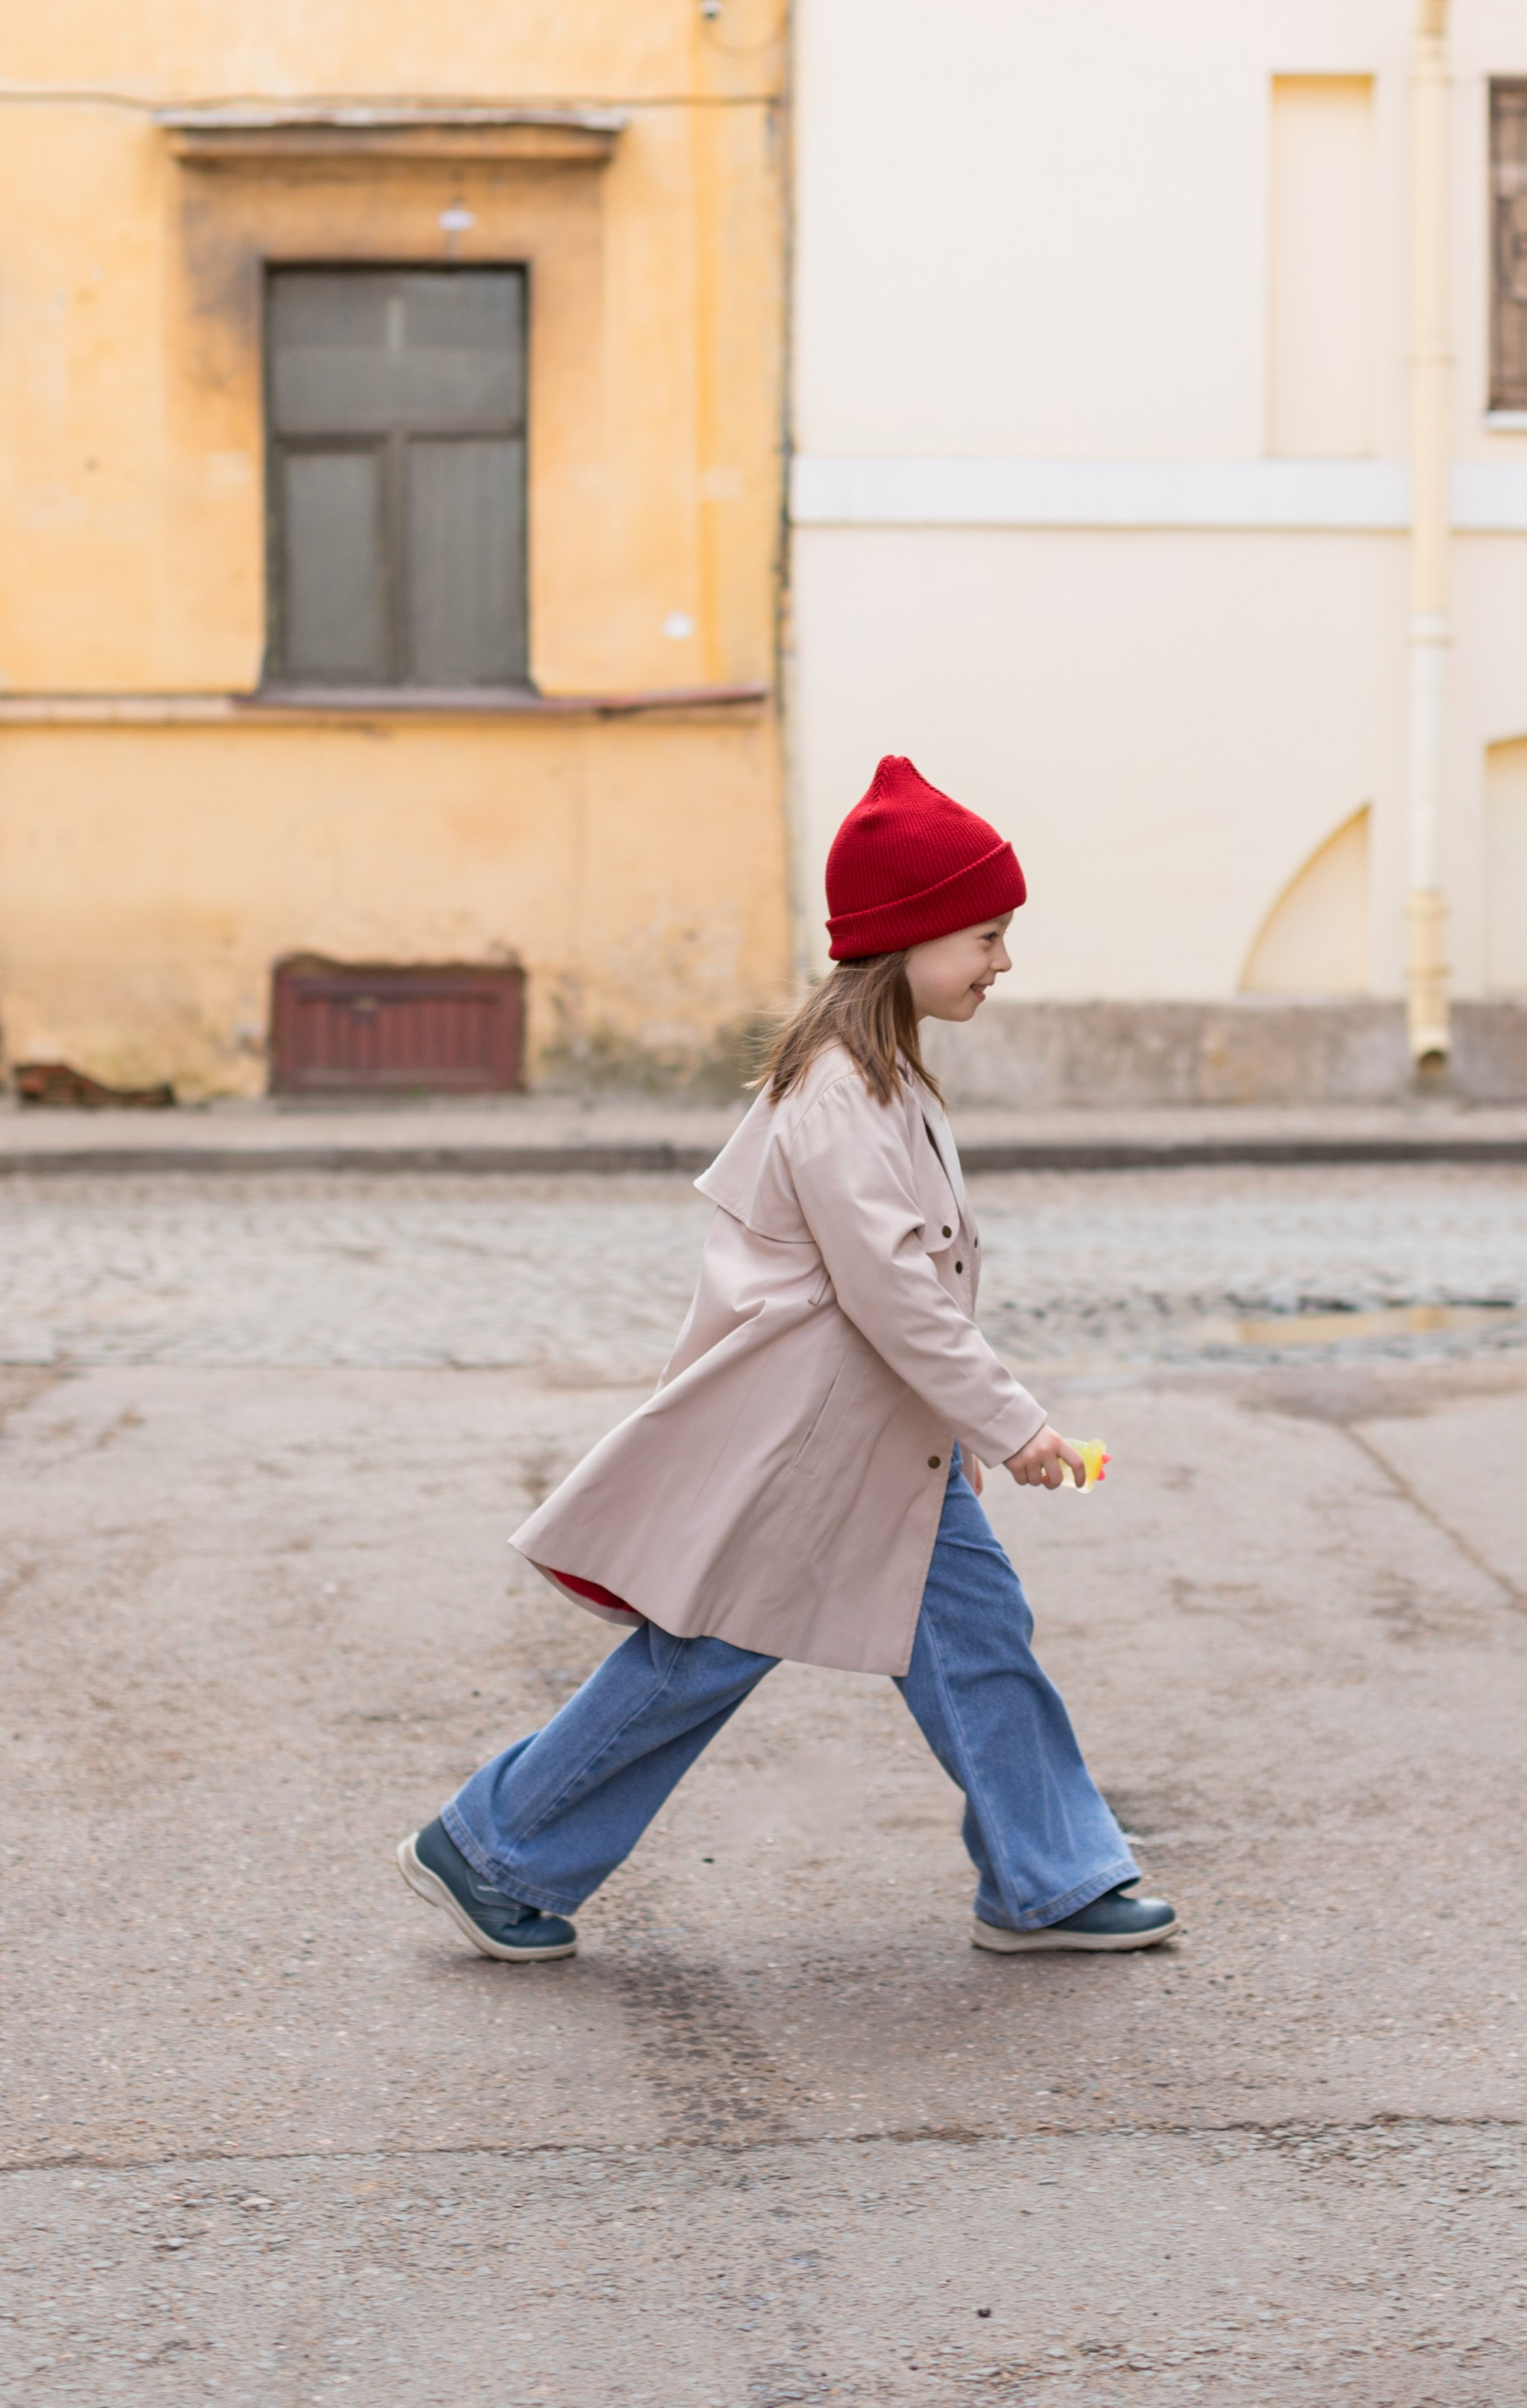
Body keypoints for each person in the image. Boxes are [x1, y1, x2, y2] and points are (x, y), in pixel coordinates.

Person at [397, 756, 1176, 1963]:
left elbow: (906, 1296)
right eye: (987, 935)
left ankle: (1051, 1879)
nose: (1002, 962)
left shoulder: (879, 1078)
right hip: (808, 1448)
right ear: (910, 940)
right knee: (698, 1658)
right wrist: (1006, 1426)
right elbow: (894, 1296)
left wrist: (944, 1436)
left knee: (978, 1633)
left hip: (872, 1443)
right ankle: (493, 1847)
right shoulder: (835, 1092)